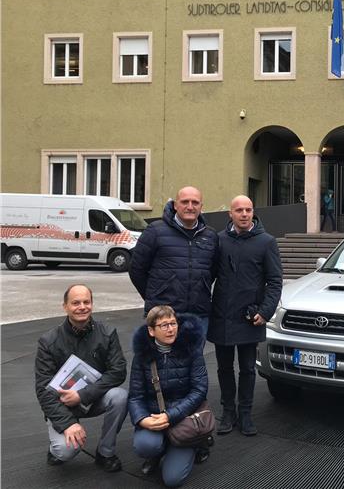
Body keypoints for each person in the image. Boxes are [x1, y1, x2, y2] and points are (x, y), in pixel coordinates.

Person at [208, 195, 283, 436]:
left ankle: (246, 414)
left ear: (253, 212)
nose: (244, 214)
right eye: (239, 210)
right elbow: (207, 276)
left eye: (248, 210)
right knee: (224, 369)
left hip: (251, 317)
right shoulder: (218, 241)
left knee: (248, 369)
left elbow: (275, 281)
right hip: (222, 315)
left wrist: (265, 311)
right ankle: (228, 412)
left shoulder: (266, 242)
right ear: (230, 213)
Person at [34, 284, 128, 472]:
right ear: (65, 306)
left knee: (120, 397)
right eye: (76, 303)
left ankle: (105, 452)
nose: (82, 307)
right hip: (62, 402)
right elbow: (44, 389)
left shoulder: (107, 333)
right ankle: (55, 447)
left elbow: (118, 371)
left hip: (93, 398)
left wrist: (83, 395)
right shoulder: (48, 341)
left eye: (87, 302)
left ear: (92, 304)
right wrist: (68, 424)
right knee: (66, 451)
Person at [128, 306, 209, 487]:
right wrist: (142, 420)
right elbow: (135, 395)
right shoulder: (142, 356)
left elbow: (200, 390)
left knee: (173, 480)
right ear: (151, 330)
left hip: (183, 416)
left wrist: (171, 415)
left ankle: (192, 443)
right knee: (145, 445)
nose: (171, 329)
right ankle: (160, 450)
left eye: (173, 323)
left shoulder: (191, 349)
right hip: (154, 414)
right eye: (164, 325)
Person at [129, 186, 218, 337]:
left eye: (195, 202)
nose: (190, 207)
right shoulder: (155, 231)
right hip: (164, 315)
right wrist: (155, 297)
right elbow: (137, 270)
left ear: (201, 207)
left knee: (195, 359)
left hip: (198, 315)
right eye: (185, 202)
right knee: (163, 359)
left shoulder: (210, 236)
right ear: (175, 205)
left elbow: (212, 271)